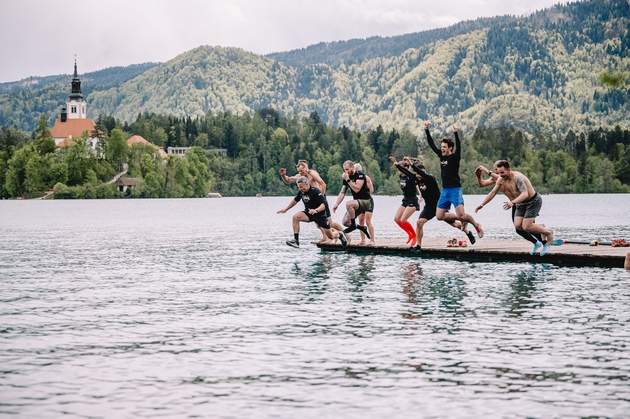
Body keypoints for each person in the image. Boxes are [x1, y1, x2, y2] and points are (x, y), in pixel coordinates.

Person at [475, 160, 554, 255]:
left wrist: (512, 202)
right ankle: (540, 231)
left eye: (502, 172)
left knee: (526, 226)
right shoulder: (500, 179)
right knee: (518, 226)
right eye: (499, 173)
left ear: (509, 170)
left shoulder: (518, 178)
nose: (500, 175)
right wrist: (482, 204)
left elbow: (525, 194)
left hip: (532, 201)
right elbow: (492, 193)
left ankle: (548, 233)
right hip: (519, 204)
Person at [424, 120, 483, 242]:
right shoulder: (441, 156)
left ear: (450, 148)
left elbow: (459, 146)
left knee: (462, 215)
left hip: (455, 189)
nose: (442, 149)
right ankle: (462, 219)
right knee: (439, 216)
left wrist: (456, 133)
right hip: (445, 190)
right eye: (441, 147)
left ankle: (476, 225)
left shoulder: (455, 157)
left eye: (444, 147)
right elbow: (431, 144)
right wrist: (426, 130)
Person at [393, 158, 467, 250]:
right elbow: (407, 173)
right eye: (417, 175)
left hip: (438, 206)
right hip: (429, 207)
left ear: (423, 172)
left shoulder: (430, 178)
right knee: (419, 223)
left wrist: (412, 165)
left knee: (455, 224)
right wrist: (398, 166)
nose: (418, 176)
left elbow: (421, 173)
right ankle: (418, 246)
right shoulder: (417, 178)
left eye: (420, 174)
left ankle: (466, 227)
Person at [279, 160, 344, 239]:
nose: (300, 173)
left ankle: (344, 232)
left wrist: (322, 197)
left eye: (302, 171)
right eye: (299, 171)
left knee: (329, 223)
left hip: (320, 199)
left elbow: (323, 184)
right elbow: (288, 180)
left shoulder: (312, 173)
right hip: (312, 202)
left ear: (306, 168)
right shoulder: (300, 177)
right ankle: (325, 238)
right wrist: (283, 176)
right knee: (318, 223)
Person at [277, 176, 347, 248]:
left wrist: (316, 210)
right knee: (295, 217)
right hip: (309, 213)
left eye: (302, 187)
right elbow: (295, 201)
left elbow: (323, 205)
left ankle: (339, 235)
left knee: (331, 236)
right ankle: (296, 241)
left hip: (320, 215)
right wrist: (286, 209)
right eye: (299, 187)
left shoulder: (315, 191)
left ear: (307, 184)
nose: (301, 189)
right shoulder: (301, 192)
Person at [332, 160, 372, 241]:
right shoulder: (347, 177)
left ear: (353, 167)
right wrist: (336, 204)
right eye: (344, 170)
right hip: (357, 202)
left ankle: (370, 239)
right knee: (345, 222)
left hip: (366, 201)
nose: (345, 171)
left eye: (347, 169)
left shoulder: (360, 175)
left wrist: (348, 180)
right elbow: (342, 192)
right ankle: (361, 227)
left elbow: (357, 189)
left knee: (349, 204)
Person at [390, 156, 420, 246]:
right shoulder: (401, 176)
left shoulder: (410, 176)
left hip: (413, 200)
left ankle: (415, 236)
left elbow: (416, 183)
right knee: (396, 219)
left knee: (403, 220)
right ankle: (410, 234)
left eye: (400, 169)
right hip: (405, 200)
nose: (399, 171)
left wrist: (421, 195)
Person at [354, 163, 375, 245]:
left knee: (368, 221)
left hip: (368, 201)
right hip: (359, 202)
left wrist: (365, 194)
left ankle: (372, 240)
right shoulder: (354, 179)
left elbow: (371, 190)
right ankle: (363, 240)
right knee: (361, 221)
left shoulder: (366, 178)